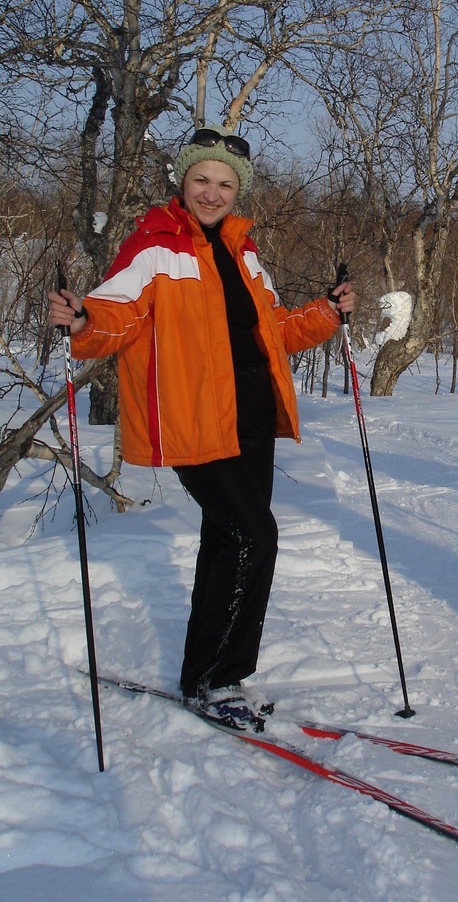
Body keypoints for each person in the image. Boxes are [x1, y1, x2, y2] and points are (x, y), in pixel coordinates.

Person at [48, 125, 355, 731]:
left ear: (238, 192)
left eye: (224, 184)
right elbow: (117, 314)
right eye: (201, 180)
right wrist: (81, 319)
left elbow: (274, 330)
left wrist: (326, 312)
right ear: (183, 182)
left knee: (226, 540)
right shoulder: (155, 246)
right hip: (194, 419)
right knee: (254, 537)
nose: (212, 193)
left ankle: (204, 676)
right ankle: (220, 678)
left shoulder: (244, 252)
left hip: (251, 416)